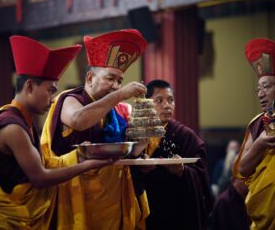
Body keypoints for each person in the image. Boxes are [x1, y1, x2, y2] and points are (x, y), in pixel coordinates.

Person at [0, 36, 113, 229]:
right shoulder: (12, 127)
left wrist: (78, 155)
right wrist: (88, 165)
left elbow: (42, 163)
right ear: (29, 86)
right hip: (1, 223)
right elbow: (40, 178)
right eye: (50, 91)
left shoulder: (22, 121)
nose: (53, 99)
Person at [41, 29, 149, 229]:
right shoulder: (70, 99)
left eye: (119, 81)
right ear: (90, 78)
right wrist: (120, 95)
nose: (116, 86)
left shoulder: (116, 111)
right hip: (75, 197)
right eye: (110, 78)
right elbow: (78, 120)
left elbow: (129, 152)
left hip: (111, 199)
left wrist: (144, 138)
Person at [136, 79, 212, 230]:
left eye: (171, 100)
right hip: (144, 210)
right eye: (159, 100)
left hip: (175, 212)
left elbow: (201, 177)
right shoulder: (136, 135)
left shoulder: (185, 136)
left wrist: (183, 172)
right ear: (146, 104)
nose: (167, 105)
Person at [234, 38, 275, 229]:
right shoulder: (257, 124)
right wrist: (259, 145)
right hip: (264, 213)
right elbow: (242, 169)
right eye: (258, 88)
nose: (260, 94)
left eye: (266, 87)